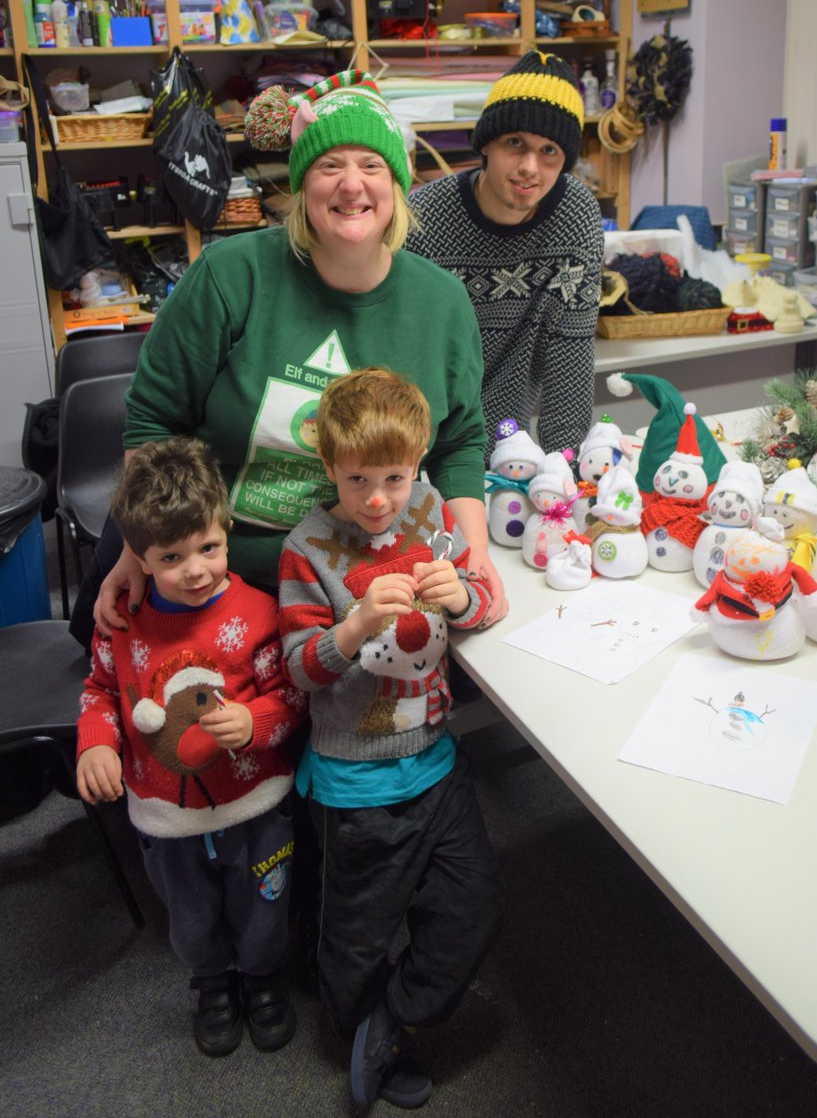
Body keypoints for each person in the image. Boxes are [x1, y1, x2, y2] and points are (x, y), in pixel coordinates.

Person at [92, 67, 507, 642]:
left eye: (371, 165)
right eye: (329, 166)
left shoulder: (441, 302)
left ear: (397, 185)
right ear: (300, 186)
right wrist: (142, 549)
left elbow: (459, 440)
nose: (351, 184)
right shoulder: (230, 275)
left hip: (364, 587)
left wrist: (474, 556)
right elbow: (154, 422)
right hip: (215, 583)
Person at [278, 367, 503, 1111]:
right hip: (357, 785)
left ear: (418, 463)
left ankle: (393, 1021)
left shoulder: (431, 511)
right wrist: (354, 624)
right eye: (357, 481)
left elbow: (478, 605)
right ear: (328, 466)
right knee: (356, 938)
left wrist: (461, 595)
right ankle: (365, 1031)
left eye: (394, 479)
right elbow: (299, 669)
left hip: (437, 762)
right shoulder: (308, 547)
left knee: (472, 909)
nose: (377, 499)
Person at [75, 437, 304, 1058]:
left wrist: (254, 721)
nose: (196, 570)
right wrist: (95, 745)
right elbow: (100, 691)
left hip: (256, 806)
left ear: (226, 530)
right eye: (172, 557)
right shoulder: (123, 621)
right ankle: (213, 983)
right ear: (140, 557)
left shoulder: (259, 613)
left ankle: (263, 978)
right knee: (190, 915)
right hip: (166, 817)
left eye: (208, 547)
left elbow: (291, 695)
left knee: (265, 905)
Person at [405, 50, 605, 462]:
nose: (530, 166)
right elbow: (403, 356)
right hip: (422, 446)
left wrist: (564, 469)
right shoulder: (422, 219)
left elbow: (571, 353)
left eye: (549, 151)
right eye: (515, 143)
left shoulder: (576, 214)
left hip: (510, 449)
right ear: (487, 145)